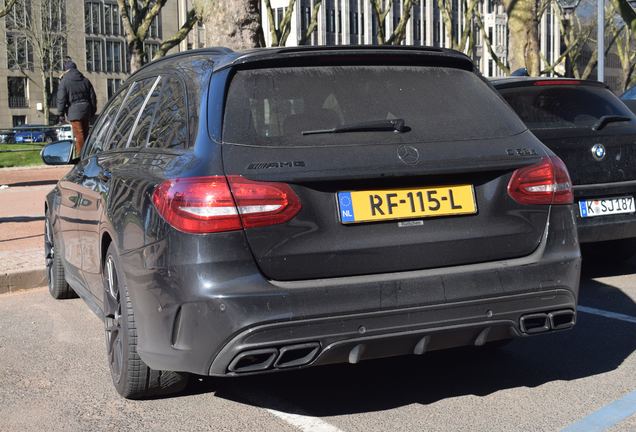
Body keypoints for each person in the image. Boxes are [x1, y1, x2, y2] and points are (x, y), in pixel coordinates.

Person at [57, 59, 97, 156]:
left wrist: (60, 113)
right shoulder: (85, 80)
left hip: (74, 111)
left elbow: (61, 98)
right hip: (86, 110)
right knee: (86, 134)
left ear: (66, 70)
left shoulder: (65, 81)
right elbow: (93, 97)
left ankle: (81, 156)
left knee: (79, 135)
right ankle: (88, 154)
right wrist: (92, 110)